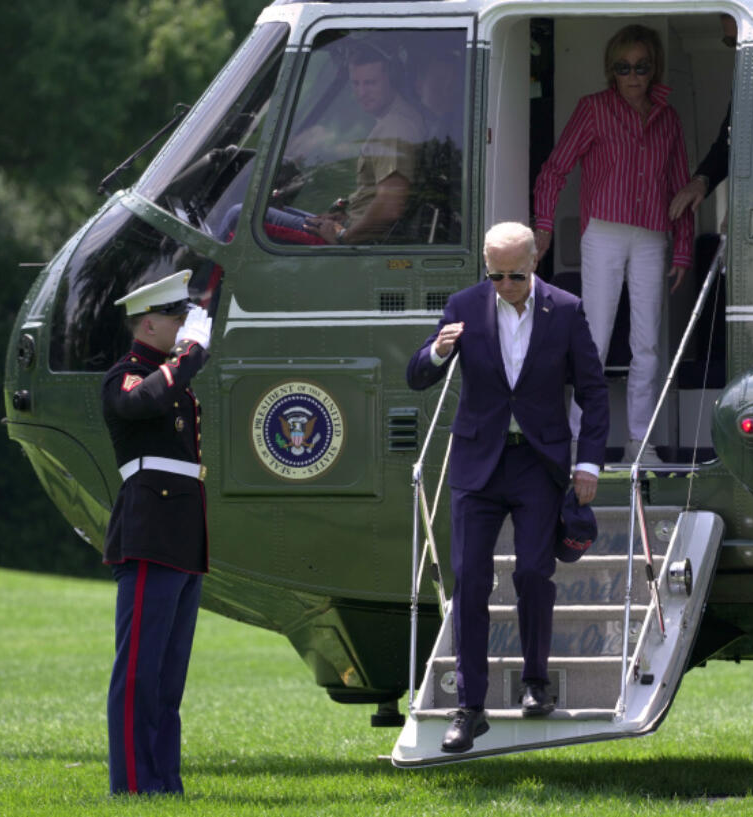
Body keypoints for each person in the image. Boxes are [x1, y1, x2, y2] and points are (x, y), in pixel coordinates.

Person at [406, 222, 609, 753]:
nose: (504, 285)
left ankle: (536, 682)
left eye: (514, 275)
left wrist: (588, 463)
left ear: (535, 261)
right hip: (477, 464)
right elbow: (416, 375)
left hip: (538, 463)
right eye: (494, 275)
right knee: (470, 580)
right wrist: (438, 351)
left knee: (532, 574)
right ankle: (469, 707)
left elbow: (593, 390)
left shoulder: (564, 309)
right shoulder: (464, 306)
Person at [532, 24, 694, 466]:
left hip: (651, 235)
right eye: (624, 68)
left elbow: (680, 185)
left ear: (652, 67)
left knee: (648, 345)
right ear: (612, 70)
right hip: (602, 230)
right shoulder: (593, 110)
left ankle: (640, 447)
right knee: (595, 341)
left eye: (641, 67)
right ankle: (580, 448)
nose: (633, 76)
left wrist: (683, 248)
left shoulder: (669, 117)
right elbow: (555, 168)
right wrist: (543, 224)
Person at [101, 270, 212, 795]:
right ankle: (131, 784)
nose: (184, 323)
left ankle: (164, 781)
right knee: (140, 672)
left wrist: (183, 359)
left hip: (182, 533)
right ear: (149, 324)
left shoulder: (170, 374)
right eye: (175, 316)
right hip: (149, 532)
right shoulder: (126, 374)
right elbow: (137, 402)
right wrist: (186, 357)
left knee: (169, 676)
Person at [218, 43, 425, 245]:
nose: (362, 92)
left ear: (392, 81)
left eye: (370, 83)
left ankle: (199, 280)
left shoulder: (395, 128)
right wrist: (343, 218)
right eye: (356, 83)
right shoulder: (394, 119)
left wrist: (345, 236)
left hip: (357, 242)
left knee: (239, 217)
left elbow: (390, 207)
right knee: (268, 210)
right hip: (352, 229)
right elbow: (375, 197)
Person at [667, 14, 737, 222]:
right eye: (731, 42)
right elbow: (729, 141)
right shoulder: (746, 84)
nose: (736, 49)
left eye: (742, 41)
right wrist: (701, 180)